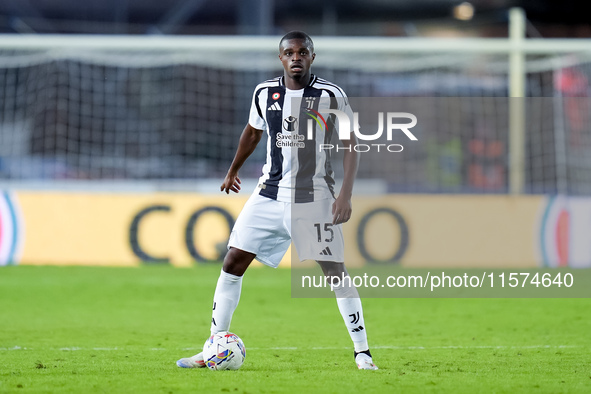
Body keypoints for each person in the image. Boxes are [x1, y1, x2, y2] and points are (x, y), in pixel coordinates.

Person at [176, 31, 377, 370]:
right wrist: (232, 170)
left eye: (302, 52)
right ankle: (212, 345)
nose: (295, 57)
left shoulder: (331, 95)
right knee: (232, 263)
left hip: (313, 198)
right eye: (289, 52)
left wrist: (345, 195)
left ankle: (363, 353)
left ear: (312, 57)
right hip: (267, 195)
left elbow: (351, 143)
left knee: (335, 273)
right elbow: (253, 132)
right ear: (280, 58)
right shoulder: (264, 92)